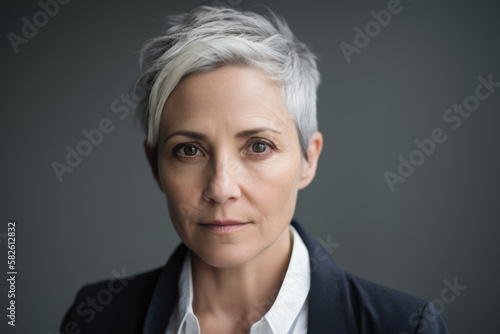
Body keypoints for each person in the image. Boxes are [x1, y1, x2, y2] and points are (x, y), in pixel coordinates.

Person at [60, 5, 449, 334]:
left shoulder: (404, 326)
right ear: (155, 165)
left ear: (308, 159)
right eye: (189, 150)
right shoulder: (95, 318)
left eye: (258, 146)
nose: (221, 188)